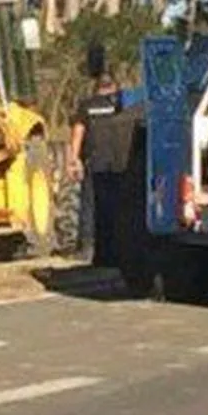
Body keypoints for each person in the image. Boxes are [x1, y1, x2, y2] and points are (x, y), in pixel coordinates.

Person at [67, 69, 123, 268]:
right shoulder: (120, 105)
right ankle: (113, 252)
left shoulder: (87, 106)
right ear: (114, 86)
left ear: (96, 87)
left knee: (90, 207)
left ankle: (88, 248)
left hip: (94, 162)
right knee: (116, 208)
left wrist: (73, 159)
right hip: (119, 163)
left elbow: (78, 132)